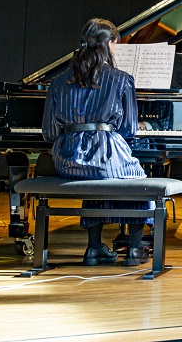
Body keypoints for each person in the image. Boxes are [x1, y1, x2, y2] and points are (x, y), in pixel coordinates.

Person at [41, 18, 152, 267]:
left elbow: (49, 132)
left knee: (98, 176)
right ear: (111, 43)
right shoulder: (121, 79)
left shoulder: (58, 81)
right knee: (136, 179)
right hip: (104, 155)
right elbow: (128, 130)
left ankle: (93, 248)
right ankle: (135, 250)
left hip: (67, 162)